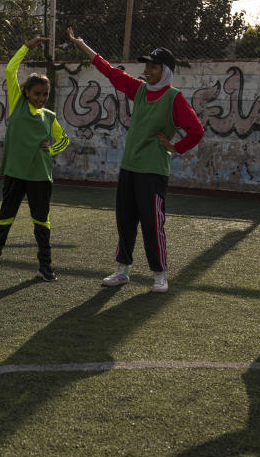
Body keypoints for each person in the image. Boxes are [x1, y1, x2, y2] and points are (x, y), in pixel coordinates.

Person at [66, 27, 204, 291]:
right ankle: (122, 270)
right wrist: (82, 45)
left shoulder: (174, 98)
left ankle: (159, 274)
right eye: (147, 66)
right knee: (125, 220)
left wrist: (175, 148)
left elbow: (196, 130)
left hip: (153, 171)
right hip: (129, 168)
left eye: (153, 66)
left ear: (165, 71)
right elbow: (111, 72)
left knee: (153, 223)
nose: (147, 70)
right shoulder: (140, 90)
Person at [0, 36, 70, 281]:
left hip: (40, 176)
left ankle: (45, 267)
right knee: (5, 217)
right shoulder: (17, 103)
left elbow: (64, 140)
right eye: (37, 93)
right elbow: (11, 69)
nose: (41, 98)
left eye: (45, 94)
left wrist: (50, 149)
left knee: (42, 223)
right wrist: (27, 47)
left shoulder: (49, 117)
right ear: (26, 92)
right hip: (15, 173)